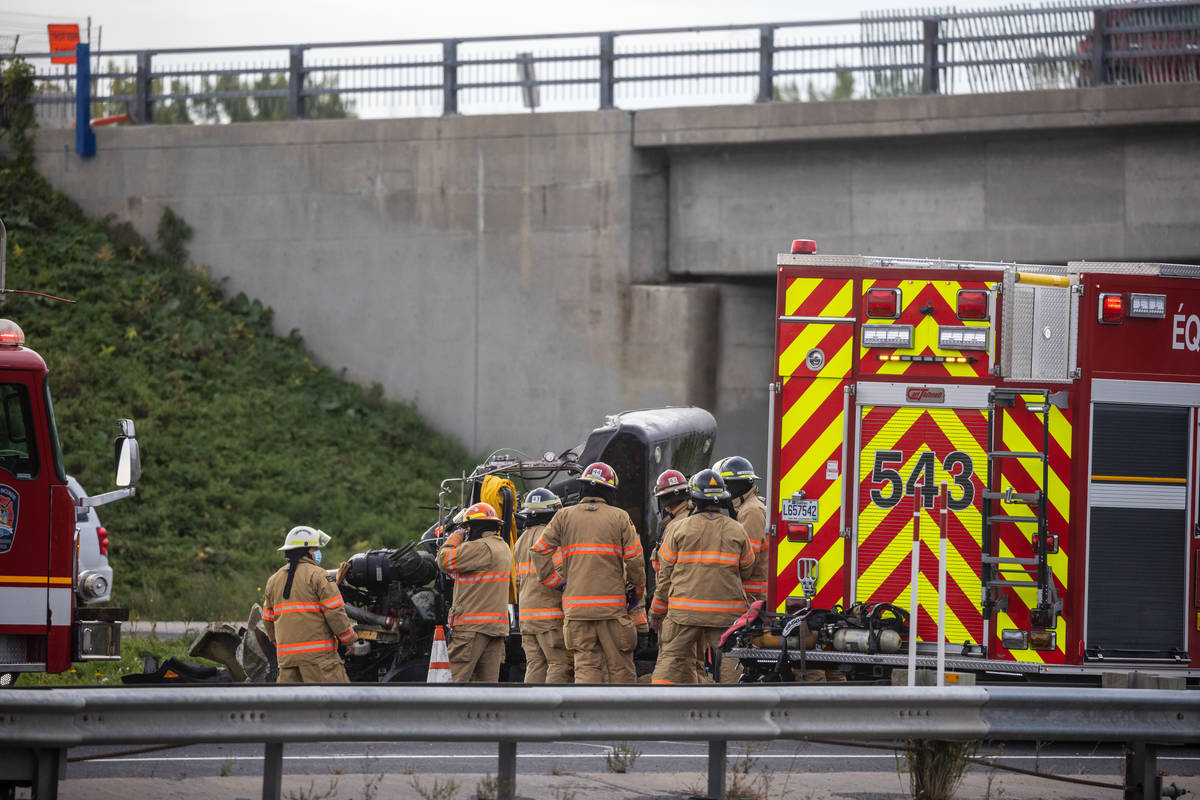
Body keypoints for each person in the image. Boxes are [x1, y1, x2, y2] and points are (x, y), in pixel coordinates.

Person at [532, 461, 646, 684]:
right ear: (610, 491)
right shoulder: (620, 517)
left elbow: (539, 551)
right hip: (611, 609)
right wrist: (636, 591)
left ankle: (587, 707)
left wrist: (558, 583)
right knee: (621, 668)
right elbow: (635, 559)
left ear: (583, 487)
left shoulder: (563, 516)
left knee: (585, 668)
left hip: (576, 610)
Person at [649, 470, 754, 685]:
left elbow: (665, 575)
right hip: (725, 613)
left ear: (694, 498)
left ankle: (659, 701)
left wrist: (657, 612)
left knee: (671, 658)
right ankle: (735, 702)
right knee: (730, 659)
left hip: (683, 613)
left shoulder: (677, 528)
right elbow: (747, 569)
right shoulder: (738, 530)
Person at [261, 525, 356, 683]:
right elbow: (335, 612)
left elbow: (268, 620)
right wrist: (349, 640)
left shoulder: (273, 580)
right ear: (306, 551)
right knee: (337, 698)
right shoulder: (319, 575)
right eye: (315, 549)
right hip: (320, 662)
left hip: (287, 663)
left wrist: (282, 646)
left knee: (292, 700)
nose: (317, 552)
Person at [436, 502, 513, 683]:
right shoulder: (503, 548)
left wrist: (456, 537)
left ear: (475, 527)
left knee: (453, 681)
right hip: (495, 629)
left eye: (467, 528)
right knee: (485, 688)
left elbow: (443, 559)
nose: (467, 532)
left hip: (471, 629)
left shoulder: (480, 548)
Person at [512, 488, 572, 683]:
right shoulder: (552, 538)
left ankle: (531, 703)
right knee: (559, 663)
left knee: (535, 663)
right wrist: (565, 587)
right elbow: (561, 573)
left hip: (527, 617)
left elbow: (518, 580)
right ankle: (554, 704)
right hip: (550, 616)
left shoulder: (520, 541)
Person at [715, 456, 768, 603]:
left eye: (725, 484)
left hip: (752, 597)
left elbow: (748, 559)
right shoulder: (745, 508)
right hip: (748, 594)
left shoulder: (751, 511)